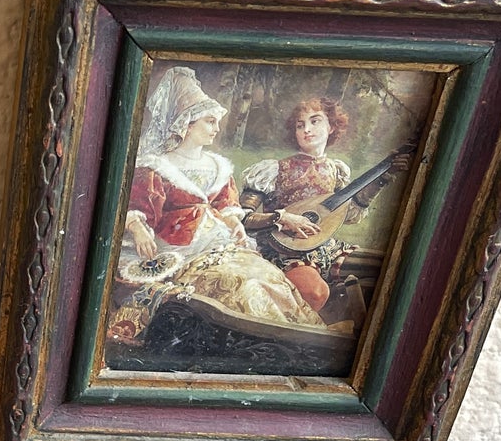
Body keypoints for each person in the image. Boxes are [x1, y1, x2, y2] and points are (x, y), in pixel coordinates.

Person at [108, 66, 325, 350]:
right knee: (244, 285)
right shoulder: (155, 168)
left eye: (216, 122)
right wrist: (137, 227)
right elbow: (137, 209)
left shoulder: (218, 167)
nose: (216, 128)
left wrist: (234, 223)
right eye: (209, 122)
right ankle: (275, 344)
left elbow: (228, 207)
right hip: (181, 253)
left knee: (268, 275)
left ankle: (306, 338)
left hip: (222, 246)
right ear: (186, 125)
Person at [239, 97, 408, 320]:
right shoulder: (273, 169)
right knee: (315, 292)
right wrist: (283, 218)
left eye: (315, 121)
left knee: (386, 268)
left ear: (332, 127)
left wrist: (383, 178)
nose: (307, 130)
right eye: (300, 125)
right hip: (283, 250)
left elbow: (348, 214)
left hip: (326, 248)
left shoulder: (336, 170)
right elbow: (242, 217)